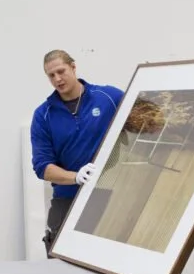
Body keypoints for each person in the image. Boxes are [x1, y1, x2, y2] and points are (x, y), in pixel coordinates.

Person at [29, 50, 125, 255]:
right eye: (51, 75)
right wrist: (76, 177)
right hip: (67, 201)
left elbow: (145, 119)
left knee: (109, 262)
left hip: (110, 195)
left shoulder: (109, 97)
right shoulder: (43, 115)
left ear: (73, 67)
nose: (57, 79)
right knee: (62, 267)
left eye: (61, 71)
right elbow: (42, 167)